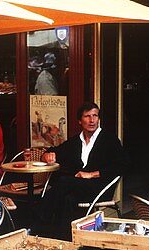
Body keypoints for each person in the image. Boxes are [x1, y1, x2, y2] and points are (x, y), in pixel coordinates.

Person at [43, 102, 124, 238]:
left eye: (95, 116)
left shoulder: (109, 140)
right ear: (80, 121)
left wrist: (92, 174)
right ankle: (64, 239)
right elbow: (54, 151)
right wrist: (46, 155)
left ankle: (38, 220)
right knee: (68, 199)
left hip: (100, 187)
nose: (92, 120)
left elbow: (123, 164)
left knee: (63, 181)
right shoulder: (75, 141)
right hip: (78, 188)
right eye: (87, 116)